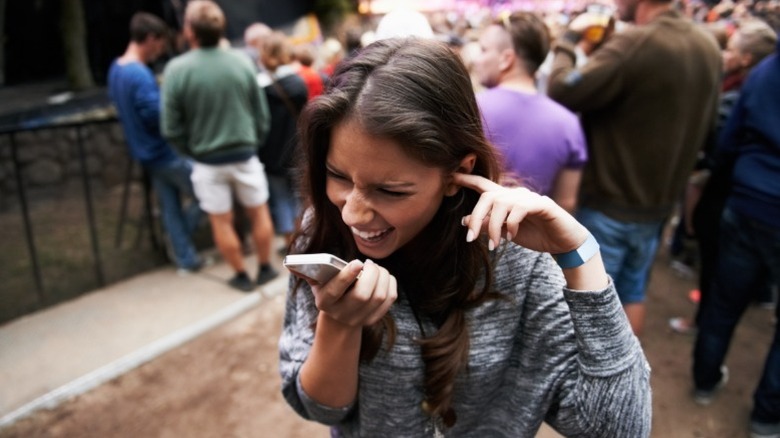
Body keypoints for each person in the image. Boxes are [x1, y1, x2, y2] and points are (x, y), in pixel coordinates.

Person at [278, 37, 651, 437]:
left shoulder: (518, 259)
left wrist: (580, 256)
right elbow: (319, 408)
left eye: (391, 190)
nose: (351, 212)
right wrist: (339, 323)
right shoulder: (324, 230)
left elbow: (620, 428)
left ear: (457, 173)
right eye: (338, 176)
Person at [547, 0, 722, 335]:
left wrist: (568, 40)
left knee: (589, 306)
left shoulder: (637, 42)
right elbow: (709, 127)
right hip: (657, 209)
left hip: (610, 206)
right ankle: (628, 380)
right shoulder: (707, 46)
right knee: (631, 293)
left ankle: (593, 385)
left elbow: (562, 88)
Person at [691, 39, 780, 438]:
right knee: (724, 302)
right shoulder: (765, 70)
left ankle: (705, 380)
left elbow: (729, 140)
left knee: (723, 304)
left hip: (747, 203)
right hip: (749, 205)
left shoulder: (764, 72)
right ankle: (765, 414)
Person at [669, 18, 778, 335]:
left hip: (740, 197)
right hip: (753, 198)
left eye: (730, 50)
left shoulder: (751, 85)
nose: (724, 55)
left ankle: (706, 357)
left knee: (721, 291)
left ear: (745, 58)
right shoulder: (748, 82)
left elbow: (724, 143)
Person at [161, 0, 278, 292]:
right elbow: (261, 115)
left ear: (190, 31)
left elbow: (170, 127)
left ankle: (240, 275)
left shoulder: (177, 69)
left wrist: (193, 151)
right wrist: (254, 141)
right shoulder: (242, 62)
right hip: (245, 153)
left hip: (207, 160)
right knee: (258, 211)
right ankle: (265, 268)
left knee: (221, 220)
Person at [108, 12, 205, 275]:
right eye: (160, 44)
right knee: (207, 194)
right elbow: (158, 116)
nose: (161, 51)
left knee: (170, 207)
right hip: (164, 153)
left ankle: (185, 258)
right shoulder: (139, 75)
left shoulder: (116, 69)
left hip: (145, 154)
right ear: (150, 39)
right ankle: (180, 244)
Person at [474, 11, 587, 213]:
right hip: (535, 240)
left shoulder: (468, 110)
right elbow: (566, 204)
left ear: (506, 59)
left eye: (483, 50)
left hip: (470, 235)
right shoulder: (568, 123)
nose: (477, 59)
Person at [256, 32, 308, 250]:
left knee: (280, 201)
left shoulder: (259, 88)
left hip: (270, 153)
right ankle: (302, 242)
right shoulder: (298, 83)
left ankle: (289, 244)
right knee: (299, 199)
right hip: (296, 149)